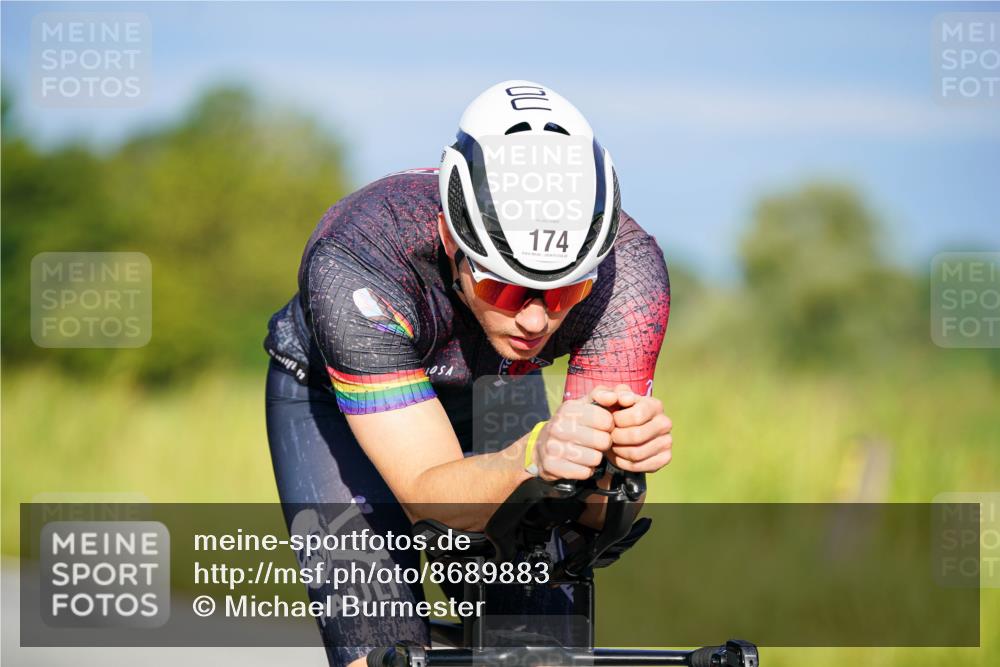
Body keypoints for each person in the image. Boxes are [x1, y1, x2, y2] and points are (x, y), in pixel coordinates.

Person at [263, 80, 672, 667]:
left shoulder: (627, 278)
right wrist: (531, 457)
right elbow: (426, 497)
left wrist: (614, 472)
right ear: (454, 242)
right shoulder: (357, 253)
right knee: (381, 651)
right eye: (503, 285)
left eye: (564, 292)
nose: (535, 319)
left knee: (538, 646)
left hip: (496, 388)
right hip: (335, 401)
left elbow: (591, 524)